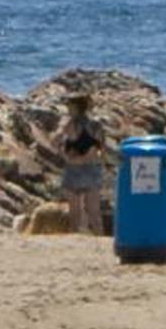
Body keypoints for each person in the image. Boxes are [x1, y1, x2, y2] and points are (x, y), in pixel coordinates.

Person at [59, 93, 105, 235]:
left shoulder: (69, 125)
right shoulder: (95, 125)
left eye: (69, 106)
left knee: (76, 214)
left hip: (76, 169)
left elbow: (55, 143)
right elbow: (101, 151)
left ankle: (76, 240)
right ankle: (100, 242)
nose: (67, 108)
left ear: (76, 107)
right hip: (90, 169)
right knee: (93, 213)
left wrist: (69, 158)